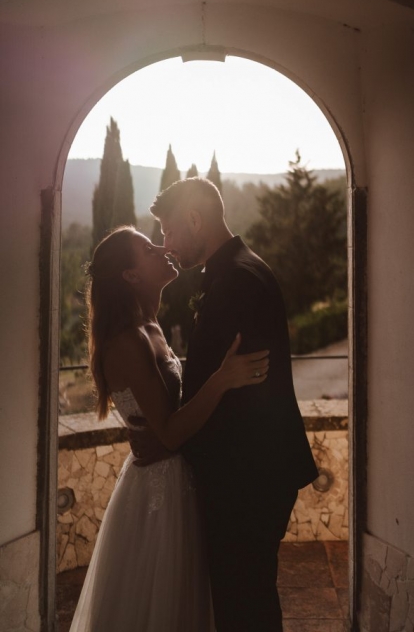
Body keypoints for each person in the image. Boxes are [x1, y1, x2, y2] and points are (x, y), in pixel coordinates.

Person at [69, 226, 269, 632]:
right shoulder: (127, 341)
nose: (162, 248)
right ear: (130, 275)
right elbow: (170, 434)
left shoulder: (150, 325)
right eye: (148, 248)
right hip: (158, 494)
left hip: (180, 478)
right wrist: (223, 378)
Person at [141, 178, 319, 632]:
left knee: (244, 607)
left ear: (195, 219)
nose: (167, 244)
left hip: (247, 480)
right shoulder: (235, 269)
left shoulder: (236, 279)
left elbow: (245, 393)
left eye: (169, 231)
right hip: (253, 475)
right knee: (249, 599)